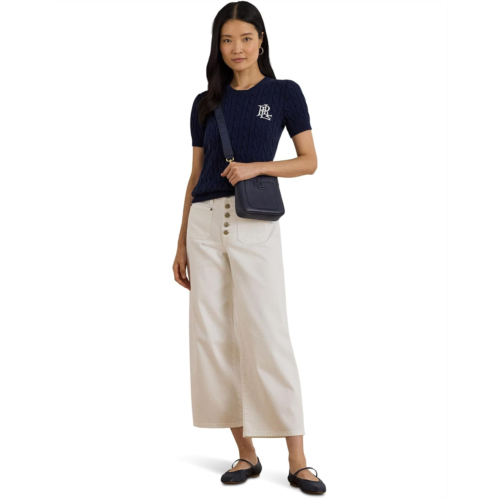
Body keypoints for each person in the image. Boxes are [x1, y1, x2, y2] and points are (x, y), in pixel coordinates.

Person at [173, 1, 325, 494]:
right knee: (215, 340)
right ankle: (246, 452)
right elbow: (196, 175)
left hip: (253, 222)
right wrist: (180, 243)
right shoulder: (205, 102)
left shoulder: (283, 93)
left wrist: (258, 167)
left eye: (245, 38)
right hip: (203, 225)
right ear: (217, 46)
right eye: (226, 40)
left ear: (261, 40)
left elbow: (309, 161)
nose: (236, 48)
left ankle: (298, 460)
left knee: (268, 336)